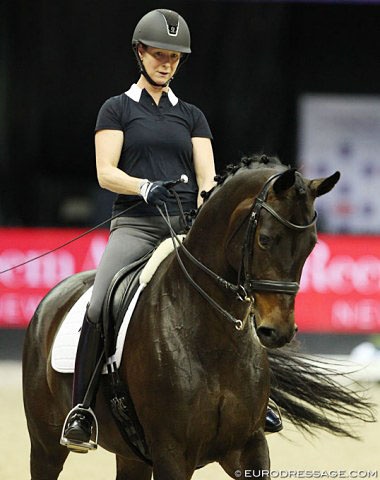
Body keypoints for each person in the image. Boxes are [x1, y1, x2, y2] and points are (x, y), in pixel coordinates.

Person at [60, 8, 281, 454]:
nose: (166, 63)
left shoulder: (192, 117)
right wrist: (144, 186)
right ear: (140, 53)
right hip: (137, 225)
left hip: (186, 229)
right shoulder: (117, 109)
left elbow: (206, 179)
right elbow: (106, 171)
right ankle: (81, 409)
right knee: (102, 298)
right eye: (158, 55)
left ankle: (260, 398)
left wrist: (209, 203)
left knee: (238, 292)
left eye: (174, 58)